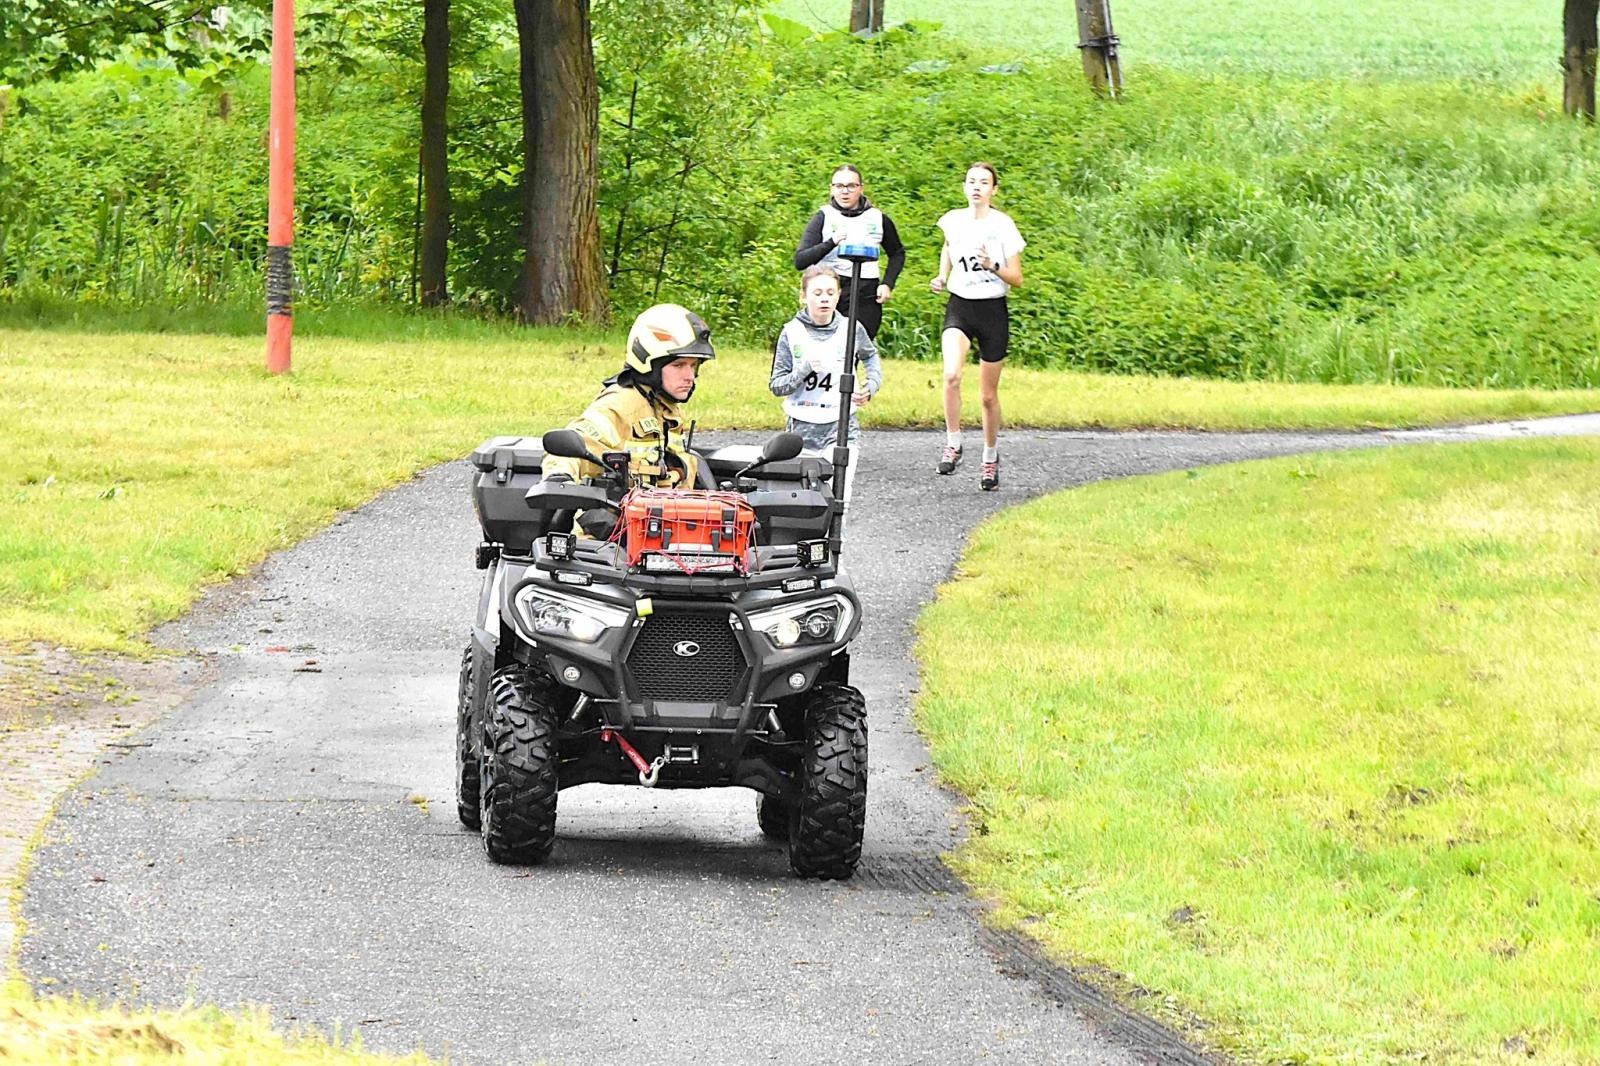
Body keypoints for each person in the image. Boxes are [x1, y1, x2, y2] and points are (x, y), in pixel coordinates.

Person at [543, 303, 714, 490]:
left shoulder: (666, 409)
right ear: (649, 364)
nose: (689, 376)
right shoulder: (619, 405)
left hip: (667, 516)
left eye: (694, 365)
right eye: (679, 365)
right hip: (618, 518)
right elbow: (573, 447)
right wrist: (559, 477)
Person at [930, 161, 1025, 491]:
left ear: (993, 190)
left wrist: (992, 265)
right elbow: (948, 247)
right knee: (951, 374)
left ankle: (989, 456)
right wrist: (942, 275)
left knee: (987, 396)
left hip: (992, 310)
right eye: (971, 181)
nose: (976, 187)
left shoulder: (1003, 225)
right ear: (964, 186)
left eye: (984, 182)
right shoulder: (953, 220)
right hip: (960, 305)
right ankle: (953, 443)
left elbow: (1018, 277)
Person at [769, 263, 882, 506]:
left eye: (830, 293)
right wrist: (804, 369)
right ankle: (807, 544)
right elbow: (777, 385)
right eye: (817, 293)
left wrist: (870, 385)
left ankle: (837, 543)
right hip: (801, 429)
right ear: (803, 296)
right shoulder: (791, 332)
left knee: (840, 497)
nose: (824, 300)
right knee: (806, 502)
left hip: (841, 426)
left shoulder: (851, 329)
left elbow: (870, 356)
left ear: (839, 296)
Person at [793, 164, 907, 343]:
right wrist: (831, 242)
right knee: (826, 353)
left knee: (852, 351)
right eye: (839, 186)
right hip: (831, 290)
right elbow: (801, 260)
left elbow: (897, 253)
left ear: (861, 188)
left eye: (851, 186)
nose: (845, 192)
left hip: (866, 293)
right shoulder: (823, 217)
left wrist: (887, 284)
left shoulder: (877, 218)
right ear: (831, 189)